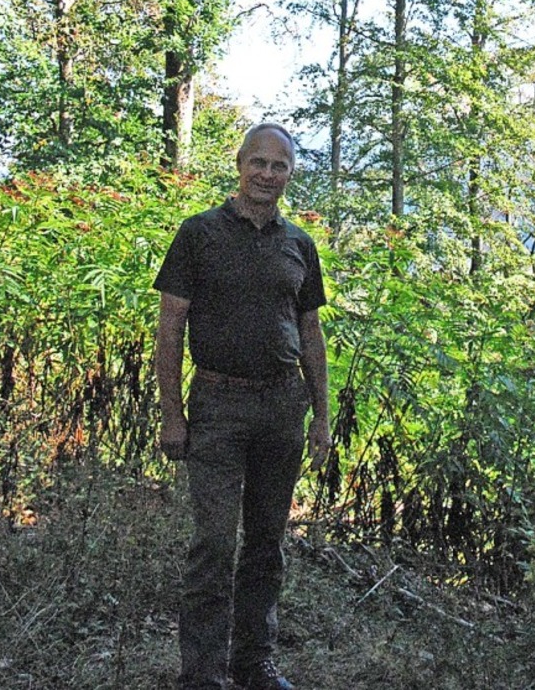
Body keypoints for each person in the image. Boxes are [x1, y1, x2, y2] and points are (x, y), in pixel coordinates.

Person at [154, 122, 331, 690]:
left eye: (279, 167)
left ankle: (254, 663)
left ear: (290, 176)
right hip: (217, 405)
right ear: (239, 164)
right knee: (212, 542)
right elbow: (171, 325)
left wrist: (321, 413)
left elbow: (310, 332)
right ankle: (201, 674)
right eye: (259, 162)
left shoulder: (298, 244)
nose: (267, 175)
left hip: (283, 408)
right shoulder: (199, 234)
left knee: (267, 544)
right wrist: (171, 413)